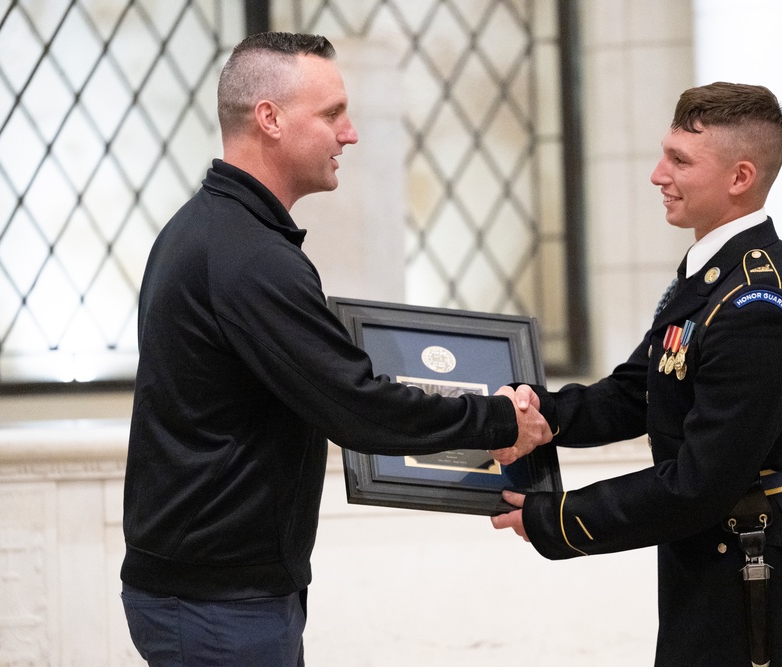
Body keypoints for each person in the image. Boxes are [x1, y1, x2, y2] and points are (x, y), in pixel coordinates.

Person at [120, 31, 553, 667]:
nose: (349, 133)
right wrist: (497, 420)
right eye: (331, 114)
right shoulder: (250, 257)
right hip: (218, 606)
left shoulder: (207, 229)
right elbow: (354, 406)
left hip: (213, 592)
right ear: (269, 118)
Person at [491, 82, 782, 666]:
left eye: (680, 160)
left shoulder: (759, 308)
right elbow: (638, 391)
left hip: (754, 578)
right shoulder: (711, 277)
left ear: (740, 178)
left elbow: (699, 482)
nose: (658, 174)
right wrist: (534, 415)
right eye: (665, 153)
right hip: (708, 565)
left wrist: (559, 517)